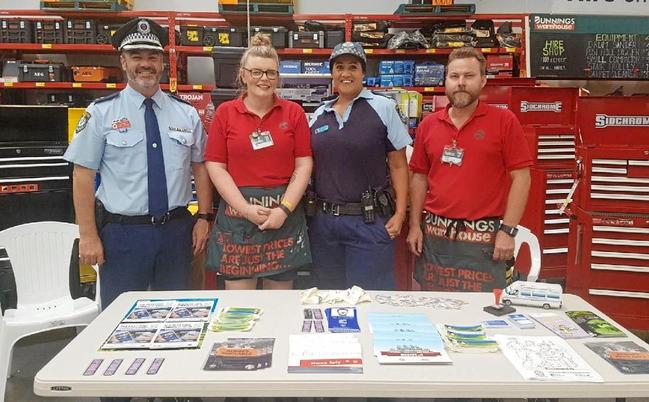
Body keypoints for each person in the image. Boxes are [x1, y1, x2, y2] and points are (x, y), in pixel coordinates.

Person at [64, 17, 213, 309]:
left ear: (162, 63)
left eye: (152, 57)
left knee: (179, 314)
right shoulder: (101, 114)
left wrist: (204, 219)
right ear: (123, 61)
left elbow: (201, 167)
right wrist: (88, 235)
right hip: (122, 236)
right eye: (136, 56)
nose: (145, 64)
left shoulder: (186, 114)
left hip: (176, 232)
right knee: (120, 320)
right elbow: (82, 175)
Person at [407, 47, 532, 292]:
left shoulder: (504, 122)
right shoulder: (429, 124)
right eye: (454, 76)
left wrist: (508, 231)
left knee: (483, 312)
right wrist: (414, 226)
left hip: (484, 240)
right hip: (435, 237)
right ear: (445, 80)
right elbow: (419, 178)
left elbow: (522, 179)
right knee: (434, 307)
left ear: (483, 80)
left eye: (469, 76)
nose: (461, 83)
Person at [205, 33, 313, 290]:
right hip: (238, 218)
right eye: (256, 72)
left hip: (282, 218)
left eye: (270, 73)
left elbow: (304, 163)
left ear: (277, 76)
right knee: (240, 310)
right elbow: (215, 166)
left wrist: (284, 209)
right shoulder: (225, 113)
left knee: (278, 307)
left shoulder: (294, 112)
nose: (263, 79)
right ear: (243, 74)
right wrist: (244, 208)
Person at [308, 42, 412, 290]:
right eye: (340, 67)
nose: (346, 73)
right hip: (324, 225)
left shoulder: (383, 108)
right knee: (327, 298)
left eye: (353, 67)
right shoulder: (319, 114)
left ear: (363, 73)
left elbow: (399, 166)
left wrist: (399, 214)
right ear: (332, 73)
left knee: (370, 301)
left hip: (369, 223)